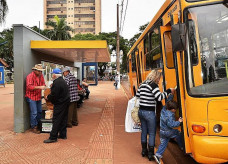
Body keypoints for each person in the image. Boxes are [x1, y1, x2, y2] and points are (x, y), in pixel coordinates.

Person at [136, 70, 175, 161]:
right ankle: (150, 154)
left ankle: (143, 151)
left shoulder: (143, 84)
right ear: (156, 77)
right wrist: (169, 91)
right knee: (152, 133)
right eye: (159, 79)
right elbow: (159, 97)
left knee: (144, 132)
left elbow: (137, 96)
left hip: (141, 111)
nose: (159, 81)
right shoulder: (153, 85)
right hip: (149, 113)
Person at [153, 95, 183, 164]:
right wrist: (179, 121)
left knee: (163, 143)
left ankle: (158, 155)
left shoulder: (164, 109)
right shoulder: (170, 115)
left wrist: (170, 97)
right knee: (178, 133)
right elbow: (171, 124)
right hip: (168, 131)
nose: (175, 111)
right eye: (175, 110)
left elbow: (167, 102)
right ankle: (182, 146)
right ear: (172, 110)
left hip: (162, 131)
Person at [44, 68, 70, 143]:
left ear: (54, 75)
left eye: (52, 74)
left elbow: (54, 95)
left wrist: (48, 97)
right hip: (65, 102)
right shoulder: (62, 81)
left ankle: (53, 137)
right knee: (63, 119)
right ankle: (63, 134)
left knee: (56, 119)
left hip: (60, 103)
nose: (52, 75)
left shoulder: (57, 83)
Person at [25, 64, 46, 134]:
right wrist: (40, 87)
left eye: (41, 71)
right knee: (34, 113)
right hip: (31, 97)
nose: (40, 72)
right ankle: (34, 127)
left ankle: (39, 125)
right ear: (35, 70)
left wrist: (44, 87)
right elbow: (29, 87)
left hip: (38, 96)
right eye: (39, 71)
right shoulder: (30, 76)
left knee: (39, 111)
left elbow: (43, 84)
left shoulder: (41, 76)